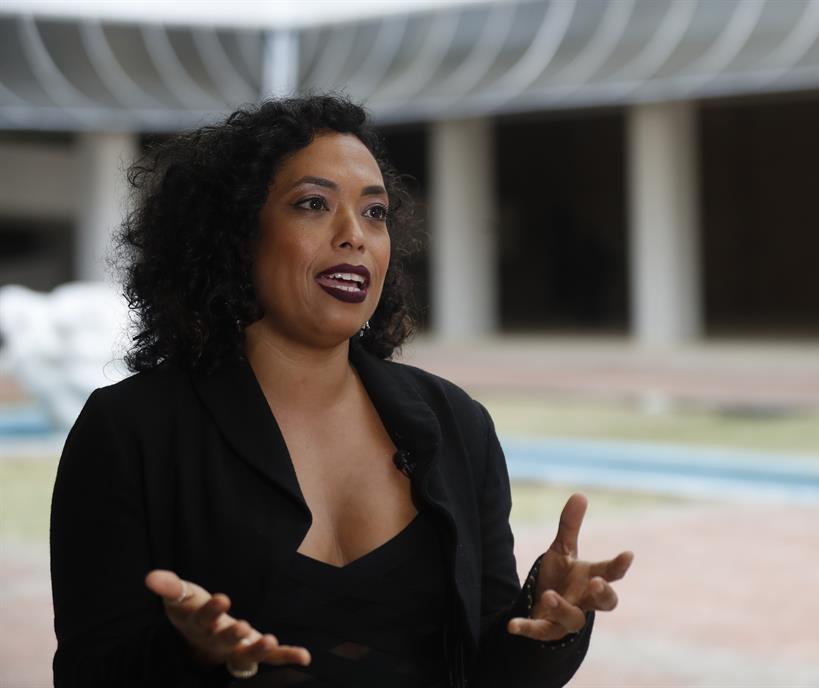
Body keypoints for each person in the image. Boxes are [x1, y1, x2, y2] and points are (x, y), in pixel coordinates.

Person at [49, 95, 634, 688]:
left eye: (375, 213)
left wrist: (547, 627)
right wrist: (190, 654)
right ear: (237, 233)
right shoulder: (128, 430)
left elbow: (486, 669)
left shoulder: (457, 423)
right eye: (313, 204)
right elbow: (87, 672)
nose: (354, 234)